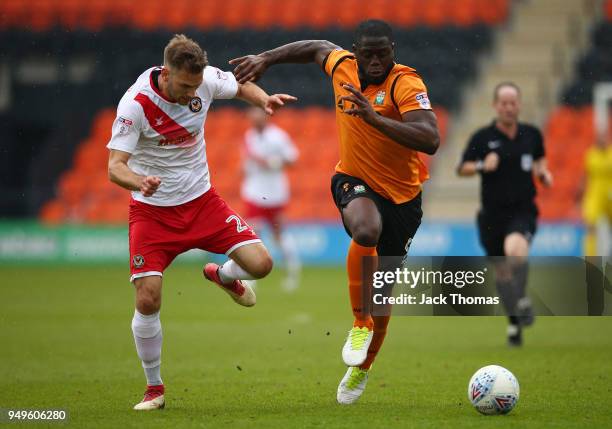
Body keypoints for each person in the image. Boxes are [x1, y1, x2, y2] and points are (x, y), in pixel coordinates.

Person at [230, 19, 440, 404]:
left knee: (384, 291)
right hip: (353, 180)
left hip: (404, 199)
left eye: (383, 53)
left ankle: (362, 368)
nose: (376, 61)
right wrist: (267, 58)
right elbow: (315, 47)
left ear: (393, 50)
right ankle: (359, 323)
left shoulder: (405, 83)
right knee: (365, 229)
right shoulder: (341, 64)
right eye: (368, 53)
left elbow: (430, 138)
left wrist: (375, 118)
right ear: (355, 51)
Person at [106, 34, 296, 411]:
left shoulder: (205, 78)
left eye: (196, 85)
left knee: (262, 264)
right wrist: (139, 182)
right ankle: (154, 388)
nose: (191, 93)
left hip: (202, 202)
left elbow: (240, 85)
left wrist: (264, 98)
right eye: (184, 85)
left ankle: (223, 276)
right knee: (147, 298)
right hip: (152, 211)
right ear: (167, 72)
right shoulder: (136, 104)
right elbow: (114, 167)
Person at [457, 82, 553, 346]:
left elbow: (540, 159)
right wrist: (481, 165)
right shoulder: (482, 137)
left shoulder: (532, 134)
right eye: (504, 103)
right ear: (495, 105)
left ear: (519, 104)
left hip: (522, 211)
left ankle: (521, 300)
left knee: (515, 251)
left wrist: (544, 173)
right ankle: (514, 323)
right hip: (491, 217)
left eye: (513, 103)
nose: (509, 107)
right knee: (502, 274)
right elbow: (461, 167)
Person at [241, 107, 301, 291]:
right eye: (252, 114)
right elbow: (247, 161)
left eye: (258, 114)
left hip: (275, 193)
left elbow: (293, 159)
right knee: (253, 234)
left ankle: (292, 273)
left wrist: (274, 162)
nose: (254, 118)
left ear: (266, 116)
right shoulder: (249, 136)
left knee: (278, 234)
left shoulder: (278, 136)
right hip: (254, 192)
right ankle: (251, 277)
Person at [581, 137, 612, 256]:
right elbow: (585, 175)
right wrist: (581, 193)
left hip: (610, 195)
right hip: (595, 194)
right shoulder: (591, 155)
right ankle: (590, 255)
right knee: (591, 225)